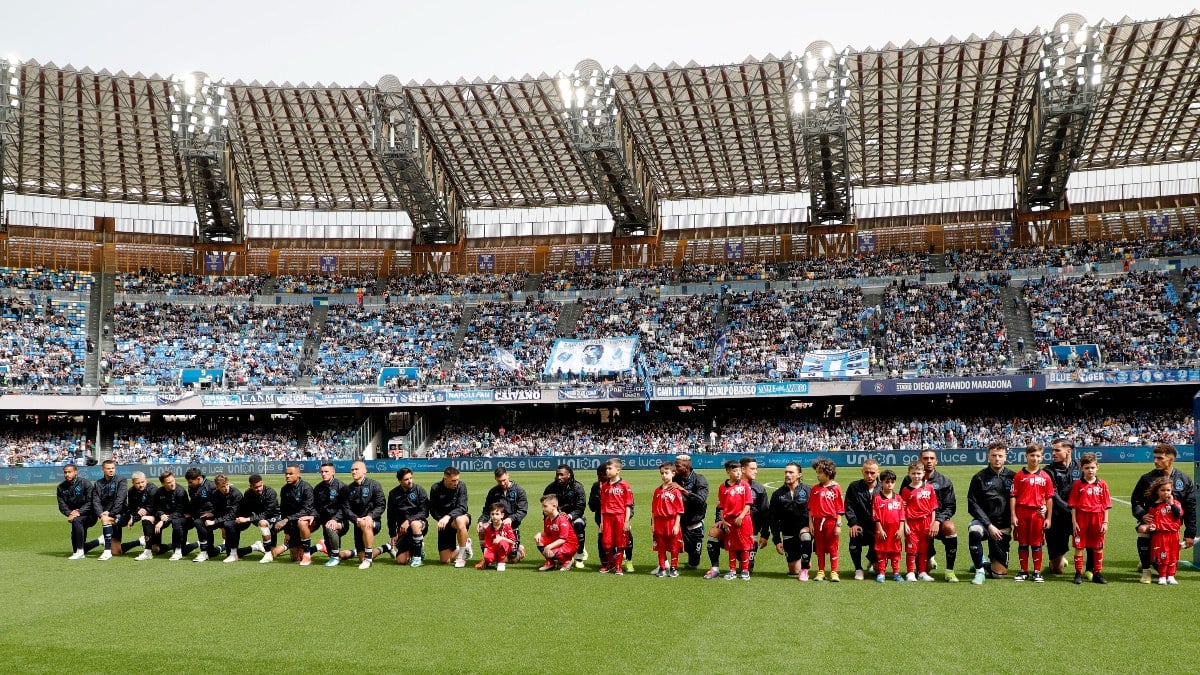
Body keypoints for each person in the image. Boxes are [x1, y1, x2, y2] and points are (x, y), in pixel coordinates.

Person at [1130, 442, 1196, 583]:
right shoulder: (1146, 479)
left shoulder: (1184, 480)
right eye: (1155, 458)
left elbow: (1190, 508)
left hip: (1171, 528)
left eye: (1160, 458)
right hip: (1153, 522)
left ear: (1171, 460)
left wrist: (1190, 533)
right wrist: (1142, 514)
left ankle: (1149, 560)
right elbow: (1135, 500)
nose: (1155, 461)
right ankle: (1146, 570)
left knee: (1165, 569)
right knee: (1143, 529)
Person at [900, 449, 959, 582]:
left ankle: (949, 571)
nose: (929, 461)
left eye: (932, 458)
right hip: (914, 524)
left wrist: (937, 521)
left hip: (935, 522)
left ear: (936, 461)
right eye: (925, 458)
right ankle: (924, 563)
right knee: (921, 560)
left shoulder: (944, 481)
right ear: (920, 461)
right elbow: (902, 504)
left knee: (950, 527)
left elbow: (950, 507)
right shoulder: (907, 482)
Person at [967, 442, 1016, 585]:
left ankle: (983, 562)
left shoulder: (1013, 477)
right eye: (994, 455)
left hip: (1003, 527)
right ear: (988, 456)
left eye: (1000, 456)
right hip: (984, 523)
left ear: (1005, 457)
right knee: (974, 530)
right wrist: (988, 525)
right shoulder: (979, 477)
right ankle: (979, 570)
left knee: (998, 574)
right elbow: (972, 504)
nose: (997, 459)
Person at [1010, 442, 1055, 582]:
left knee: (1036, 543)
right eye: (1032, 455)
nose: (1034, 458)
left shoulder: (1045, 477)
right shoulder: (1019, 476)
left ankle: (1037, 571)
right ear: (1026, 456)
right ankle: (1023, 570)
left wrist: (1049, 517)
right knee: (1022, 542)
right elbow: (1013, 496)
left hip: (1038, 514)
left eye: (1038, 456)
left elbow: (1049, 498)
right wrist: (1013, 515)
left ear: (1042, 458)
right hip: (1022, 512)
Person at [1067, 452, 1110, 584]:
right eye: (1087, 468)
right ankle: (1078, 573)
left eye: (1092, 467)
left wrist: (1105, 522)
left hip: (1097, 519)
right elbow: (1073, 505)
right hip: (1081, 518)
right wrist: (1074, 522)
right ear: (1082, 468)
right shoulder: (1078, 485)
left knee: (1098, 547)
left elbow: (1106, 505)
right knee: (1079, 546)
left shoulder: (1102, 485)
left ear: (1097, 467)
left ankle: (1097, 573)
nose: (1090, 470)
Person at [710, 460, 753, 581]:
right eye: (735, 471)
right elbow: (721, 506)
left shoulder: (745, 485)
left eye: (739, 470)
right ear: (728, 472)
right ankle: (732, 570)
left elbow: (748, 503)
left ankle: (745, 570)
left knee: (744, 546)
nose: (738, 473)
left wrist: (741, 517)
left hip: (743, 520)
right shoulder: (722, 487)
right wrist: (723, 520)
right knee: (731, 546)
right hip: (729, 521)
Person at [770, 462, 813, 581]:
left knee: (805, 536)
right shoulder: (777, 494)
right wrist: (777, 540)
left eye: (791, 472)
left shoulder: (809, 490)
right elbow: (773, 519)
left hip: (806, 530)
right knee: (794, 571)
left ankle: (805, 564)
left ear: (799, 475)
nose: (787, 475)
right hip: (788, 533)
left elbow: (816, 511)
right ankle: (805, 557)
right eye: (786, 472)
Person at [1044, 438, 1082, 574]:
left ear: (1068, 451)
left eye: (1057, 450)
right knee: (1057, 569)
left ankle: (1091, 568)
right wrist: (1071, 509)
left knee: (1090, 543)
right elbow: (1053, 495)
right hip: (1057, 518)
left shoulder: (1081, 467)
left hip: (1078, 517)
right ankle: (1058, 559)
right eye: (1052, 450)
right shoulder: (1048, 471)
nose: (1053, 453)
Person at [477, 466, 528, 564]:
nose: (502, 483)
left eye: (504, 480)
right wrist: (481, 521)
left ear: (508, 475)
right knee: (482, 528)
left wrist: (511, 519)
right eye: (499, 481)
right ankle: (486, 557)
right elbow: (487, 510)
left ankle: (520, 551)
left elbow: (523, 510)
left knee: (513, 559)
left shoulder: (519, 491)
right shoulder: (493, 492)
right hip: (495, 527)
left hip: (511, 528)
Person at [342, 461, 386, 569]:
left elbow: (381, 505)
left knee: (367, 524)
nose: (354, 472)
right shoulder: (348, 489)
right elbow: (346, 509)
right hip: (358, 524)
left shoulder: (374, 485)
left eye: (356, 469)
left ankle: (369, 560)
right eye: (352, 470)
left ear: (365, 471)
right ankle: (386, 547)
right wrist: (356, 519)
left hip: (374, 522)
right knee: (361, 558)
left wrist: (370, 516)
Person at [382, 467, 429, 567]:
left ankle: (417, 558)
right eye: (406, 479)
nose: (410, 481)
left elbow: (425, 512)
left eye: (411, 478)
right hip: (402, 529)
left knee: (415, 524)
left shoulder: (419, 490)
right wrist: (393, 534)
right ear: (400, 481)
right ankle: (419, 548)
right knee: (401, 560)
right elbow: (391, 516)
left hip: (420, 525)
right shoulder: (393, 494)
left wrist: (409, 520)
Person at [543, 464, 588, 568]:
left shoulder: (578, 487)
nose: (559, 477)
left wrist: (570, 515)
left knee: (579, 525)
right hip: (556, 516)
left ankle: (579, 556)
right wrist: (554, 517)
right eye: (557, 474)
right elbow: (546, 504)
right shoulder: (551, 487)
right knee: (552, 532)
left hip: (574, 515)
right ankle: (558, 557)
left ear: (569, 475)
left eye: (561, 475)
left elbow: (580, 507)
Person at [900, 460, 938, 582]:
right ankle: (910, 572)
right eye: (913, 473)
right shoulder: (906, 490)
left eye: (918, 473)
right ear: (909, 474)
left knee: (923, 549)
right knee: (911, 549)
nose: (916, 476)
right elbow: (902, 509)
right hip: (911, 523)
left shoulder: (930, 488)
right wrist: (905, 524)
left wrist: (932, 522)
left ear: (923, 474)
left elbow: (933, 508)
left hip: (926, 522)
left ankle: (922, 572)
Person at [271, 465, 316, 565]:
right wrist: (287, 532)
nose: (287, 476)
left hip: (307, 521)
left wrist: (286, 520)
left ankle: (308, 552)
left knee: (302, 523)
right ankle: (316, 546)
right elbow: (284, 510)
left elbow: (306, 510)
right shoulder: (284, 489)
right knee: (295, 557)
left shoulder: (306, 488)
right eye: (286, 474)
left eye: (290, 474)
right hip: (292, 523)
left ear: (298, 474)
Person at [808, 458, 844, 582]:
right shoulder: (815, 489)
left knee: (833, 547)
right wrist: (811, 523)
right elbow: (811, 508)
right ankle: (821, 571)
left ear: (828, 473)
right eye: (817, 472)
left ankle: (834, 571)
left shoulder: (836, 488)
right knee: (820, 547)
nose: (817, 475)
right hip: (818, 522)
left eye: (819, 472)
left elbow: (840, 508)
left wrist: (838, 524)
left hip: (831, 522)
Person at [231, 474, 281, 562]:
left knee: (274, 553)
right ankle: (254, 547)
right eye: (255, 487)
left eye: (260, 486)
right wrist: (238, 519)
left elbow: (268, 513)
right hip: (259, 519)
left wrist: (247, 519)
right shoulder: (248, 493)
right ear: (250, 486)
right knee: (234, 524)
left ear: (262, 483)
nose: (258, 489)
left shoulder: (270, 492)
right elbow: (245, 509)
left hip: (275, 518)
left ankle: (287, 545)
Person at [844, 459, 880, 581]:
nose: (869, 475)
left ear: (878, 472)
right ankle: (858, 569)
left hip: (878, 528)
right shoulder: (854, 487)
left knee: (878, 568)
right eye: (866, 472)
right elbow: (849, 507)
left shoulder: (883, 487)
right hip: (860, 526)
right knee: (855, 534)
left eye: (872, 472)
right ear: (862, 472)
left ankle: (873, 559)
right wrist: (853, 523)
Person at [672, 453, 709, 569]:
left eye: (677, 466)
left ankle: (692, 560)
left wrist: (683, 491)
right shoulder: (674, 478)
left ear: (686, 467)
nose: (675, 468)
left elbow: (701, 500)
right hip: (679, 521)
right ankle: (669, 566)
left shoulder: (700, 479)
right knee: (671, 546)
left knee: (694, 561)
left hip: (694, 522)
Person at [1145, 477, 1184, 585]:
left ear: (1171, 491)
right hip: (1161, 535)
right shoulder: (1154, 505)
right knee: (1163, 556)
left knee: (1173, 556)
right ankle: (1162, 576)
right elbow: (1151, 519)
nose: (1166, 493)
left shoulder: (1175, 504)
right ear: (1157, 491)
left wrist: (1171, 503)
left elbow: (1178, 515)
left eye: (1168, 490)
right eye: (1163, 490)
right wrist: (1152, 526)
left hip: (1173, 534)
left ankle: (1171, 576)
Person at [430, 466, 472, 566]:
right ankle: (466, 544)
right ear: (445, 478)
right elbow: (432, 509)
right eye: (453, 480)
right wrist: (440, 518)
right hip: (444, 523)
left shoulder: (461, 486)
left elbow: (462, 507)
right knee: (445, 560)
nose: (456, 482)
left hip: (459, 518)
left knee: (460, 520)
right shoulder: (435, 488)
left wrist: (448, 516)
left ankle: (461, 557)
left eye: (457, 479)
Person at [599, 459, 634, 575]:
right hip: (607, 517)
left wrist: (627, 521)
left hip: (620, 516)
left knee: (621, 542)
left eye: (610, 469)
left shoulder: (624, 485)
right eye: (607, 469)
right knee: (606, 542)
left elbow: (628, 504)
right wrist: (602, 522)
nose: (607, 471)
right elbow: (603, 505)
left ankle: (618, 566)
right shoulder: (604, 486)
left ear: (618, 470)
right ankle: (611, 563)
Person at [650, 461, 685, 577]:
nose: (664, 475)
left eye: (666, 473)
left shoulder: (675, 491)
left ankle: (674, 567)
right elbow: (654, 510)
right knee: (661, 546)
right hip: (659, 521)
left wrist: (676, 525)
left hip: (671, 521)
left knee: (674, 545)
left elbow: (679, 510)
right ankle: (662, 567)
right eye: (662, 473)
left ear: (673, 474)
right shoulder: (657, 491)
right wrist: (653, 524)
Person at [57, 464, 97, 560]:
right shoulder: (60, 487)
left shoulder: (85, 483)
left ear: (75, 472)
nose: (67, 474)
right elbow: (62, 505)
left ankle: (80, 552)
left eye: (69, 472)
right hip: (74, 515)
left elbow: (91, 501)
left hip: (90, 514)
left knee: (77, 521)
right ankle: (96, 542)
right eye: (65, 472)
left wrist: (79, 512)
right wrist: (70, 513)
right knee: (75, 541)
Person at [313, 463, 349, 567]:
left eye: (326, 471)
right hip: (324, 523)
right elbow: (315, 507)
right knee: (335, 552)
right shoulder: (318, 488)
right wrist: (312, 516)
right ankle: (353, 552)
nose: (323, 474)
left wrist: (335, 519)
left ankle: (334, 557)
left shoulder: (342, 487)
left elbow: (345, 508)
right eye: (322, 472)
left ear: (333, 472)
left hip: (340, 522)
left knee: (330, 527)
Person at [151, 470, 192, 561]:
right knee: (152, 521)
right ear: (163, 484)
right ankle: (152, 547)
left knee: (176, 522)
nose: (172, 484)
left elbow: (179, 511)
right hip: (167, 515)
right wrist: (161, 515)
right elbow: (157, 507)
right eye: (169, 482)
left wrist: (163, 520)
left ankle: (178, 550)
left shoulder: (180, 491)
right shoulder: (159, 492)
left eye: (173, 481)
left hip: (183, 517)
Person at [92, 459, 128, 561]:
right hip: (106, 516)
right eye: (108, 469)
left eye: (113, 468)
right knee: (117, 552)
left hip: (121, 514)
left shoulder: (121, 480)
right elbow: (96, 501)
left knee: (106, 520)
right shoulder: (98, 483)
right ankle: (101, 541)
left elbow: (120, 499)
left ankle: (106, 551)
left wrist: (110, 513)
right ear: (103, 469)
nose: (111, 470)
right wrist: (100, 514)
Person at [872, 469, 905, 582]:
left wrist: (901, 529)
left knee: (895, 553)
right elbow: (875, 516)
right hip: (883, 531)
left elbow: (902, 516)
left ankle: (896, 573)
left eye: (892, 482)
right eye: (887, 482)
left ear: (895, 482)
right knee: (882, 553)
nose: (889, 484)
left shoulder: (899, 498)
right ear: (881, 482)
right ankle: (881, 573)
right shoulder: (877, 498)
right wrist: (880, 530)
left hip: (895, 532)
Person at [740, 457, 770, 572]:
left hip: (751, 532)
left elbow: (765, 513)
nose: (755, 471)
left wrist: (764, 534)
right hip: (732, 529)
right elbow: (721, 508)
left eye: (756, 469)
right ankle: (715, 567)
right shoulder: (731, 486)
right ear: (743, 469)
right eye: (752, 469)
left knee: (748, 567)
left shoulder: (759, 489)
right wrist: (719, 521)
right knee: (714, 534)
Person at [534, 494, 578, 571]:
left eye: (545, 506)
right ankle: (551, 563)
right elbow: (547, 533)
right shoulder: (547, 519)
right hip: (556, 541)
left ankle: (568, 560)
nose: (543, 509)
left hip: (569, 544)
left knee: (551, 552)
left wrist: (549, 546)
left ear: (554, 506)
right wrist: (539, 534)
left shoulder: (562, 520)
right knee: (539, 540)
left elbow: (563, 539)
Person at [182, 468, 217, 562]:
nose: (189, 484)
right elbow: (193, 501)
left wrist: (212, 513)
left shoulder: (211, 486)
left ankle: (203, 551)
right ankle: (181, 548)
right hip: (198, 515)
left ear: (198, 478)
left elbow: (219, 503)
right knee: (181, 521)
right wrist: (188, 512)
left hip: (211, 515)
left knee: (199, 523)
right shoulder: (191, 487)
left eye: (190, 482)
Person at [207, 474, 244, 562]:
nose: (226, 488)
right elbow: (218, 511)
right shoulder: (215, 494)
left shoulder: (236, 494)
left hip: (240, 521)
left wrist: (215, 522)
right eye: (223, 486)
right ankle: (207, 550)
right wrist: (212, 515)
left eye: (227, 485)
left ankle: (251, 548)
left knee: (228, 524)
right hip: (225, 521)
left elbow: (233, 515)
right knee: (203, 523)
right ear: (217, 487)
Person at [126, 471, 159, 560]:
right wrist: (137, 510)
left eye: (142, 482)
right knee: (156, 549)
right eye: (137, 483)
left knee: (145, 518)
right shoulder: (131, 491)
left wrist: (134, 518)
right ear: (133, 483)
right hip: (147, 517)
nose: (141, 485)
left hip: (158, 516)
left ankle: (147, 551)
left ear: (146, 480)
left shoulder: (153, 489)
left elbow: (150, 508)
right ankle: (142, 542)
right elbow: (131, 507)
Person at [476, 502, 517, 571]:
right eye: (492, 514)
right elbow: (487, 545)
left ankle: (501, 563)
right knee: (487, 558)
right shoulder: (488, 528)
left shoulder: (506, 526)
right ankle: (495, 560)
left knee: (502, 543)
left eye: (497, 514)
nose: (494, 516)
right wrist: (484, 559)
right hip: (493, 548)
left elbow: (512, 541)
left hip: (506, 548)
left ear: (502, 515)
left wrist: (501, 538)